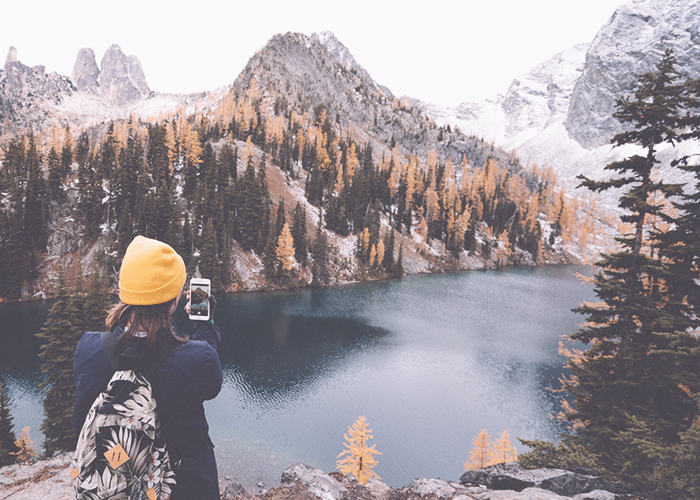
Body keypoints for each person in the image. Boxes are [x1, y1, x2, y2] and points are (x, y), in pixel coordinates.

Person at [72, 235, 223, 500]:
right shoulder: (199, 360)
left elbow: (81, 419)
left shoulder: (88, 349)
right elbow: (207, 378)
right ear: (174, 301)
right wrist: (205, 324)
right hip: (183, 487)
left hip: (115, 484)